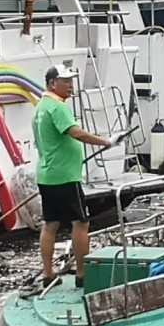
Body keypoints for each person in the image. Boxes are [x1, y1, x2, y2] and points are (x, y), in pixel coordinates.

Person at [32, 65, 117, 288]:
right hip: (65, 177)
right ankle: (82, 274)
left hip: (47, 174)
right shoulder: (58, 107)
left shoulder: (40, 107)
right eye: (66, 81)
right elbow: (75, 132)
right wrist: (105, 141)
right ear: (53, 84)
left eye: (72, 80)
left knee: (50, 223)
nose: (71, 85)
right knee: (81, 222)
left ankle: (48, 273)